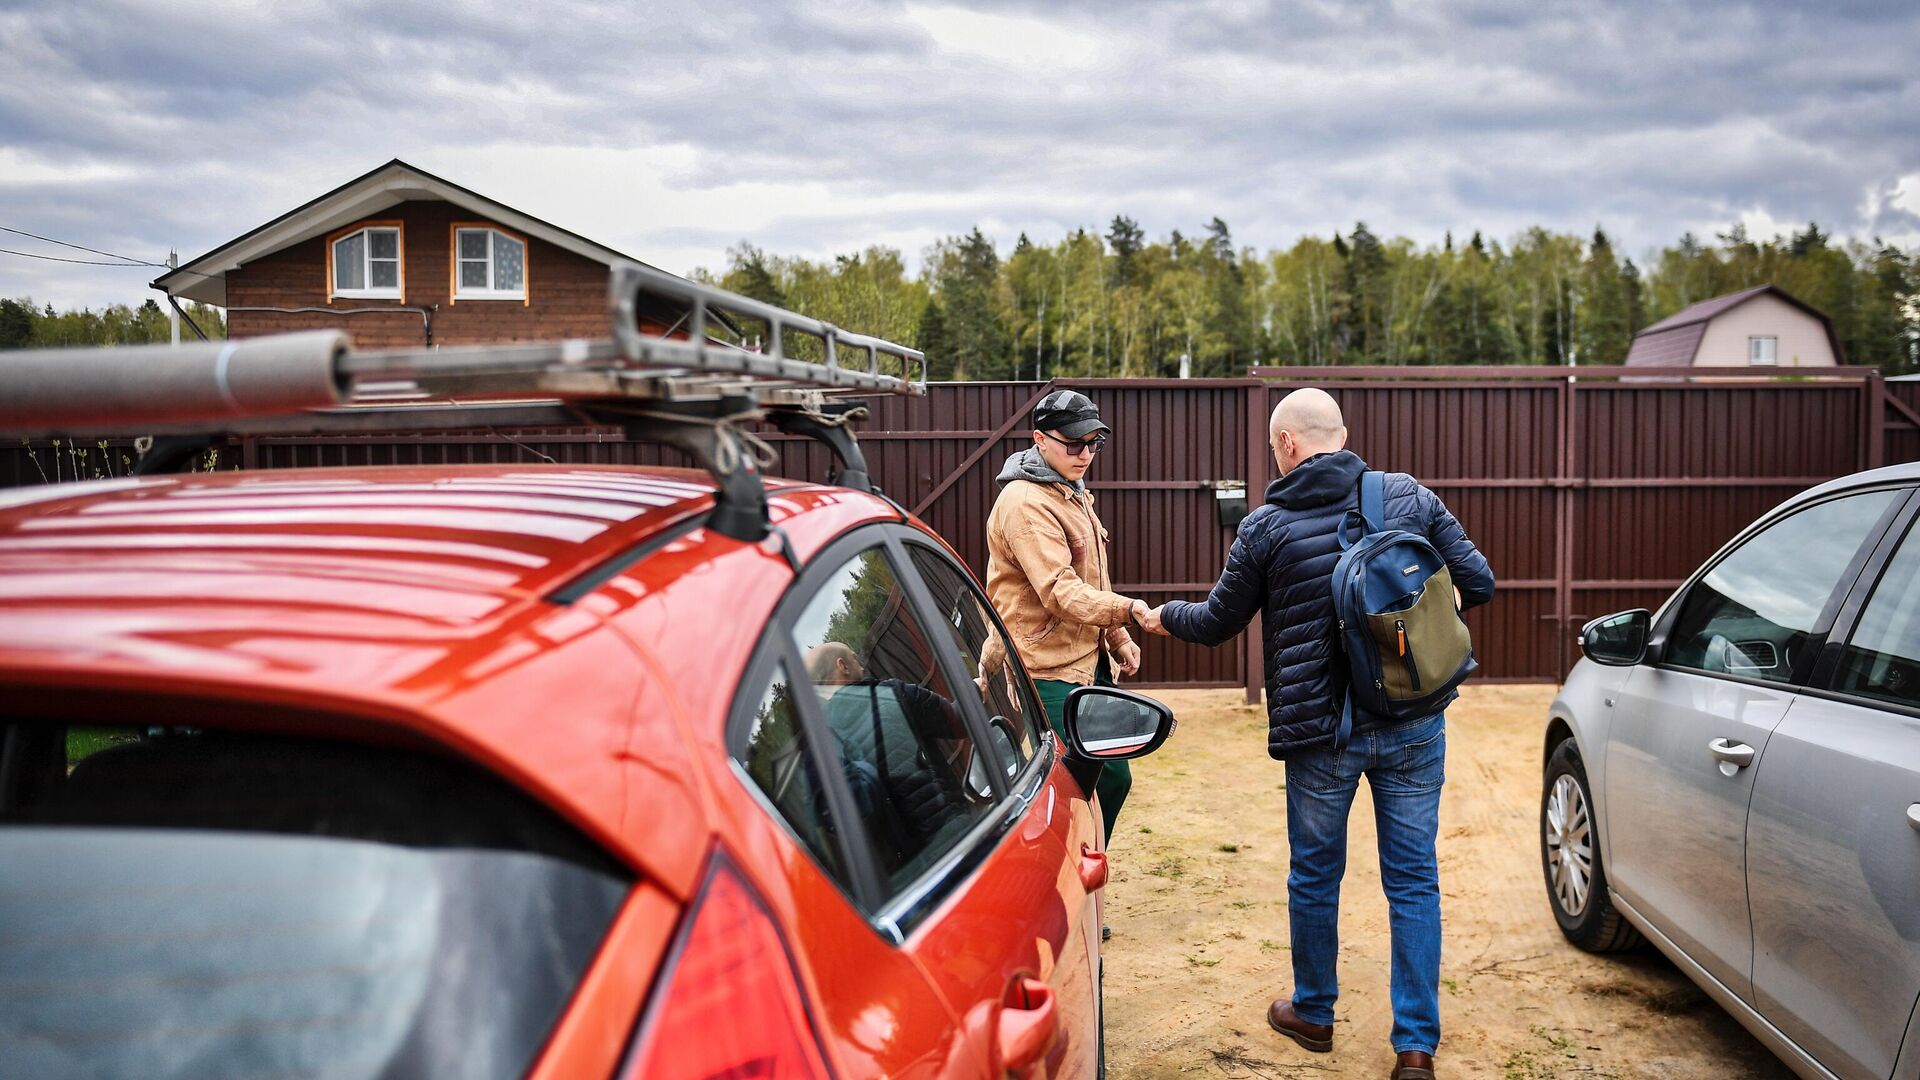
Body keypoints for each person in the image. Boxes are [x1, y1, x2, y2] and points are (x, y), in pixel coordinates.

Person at [1137, 388, 1493, 1080]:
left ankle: (1314, 1013)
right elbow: (1478, 581)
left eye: (1276, 445)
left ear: (1288, 445)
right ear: (1343, 435)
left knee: (1315, 874)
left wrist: (1160, 618)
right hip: (1413, 721)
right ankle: (1415, 1048)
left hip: (1320, 731)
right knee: (1414, 880)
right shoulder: (1409, 497)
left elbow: (1215, 623)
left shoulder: (1265, 529)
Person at [980, 389, 1146, 845]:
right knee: (1067, 786)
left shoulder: (1071, 492)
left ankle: (1083, 870)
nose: (1086, 454)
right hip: (1044, 667)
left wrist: (1117, 640)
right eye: (1075, 444)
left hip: (1085, 661)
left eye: (1095, 443)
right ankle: (1064, 879)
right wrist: (1129, 611)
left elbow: (1095, 576)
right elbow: (1059, 591)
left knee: (1113, 778)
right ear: (1039, 439)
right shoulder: (1025, 502)